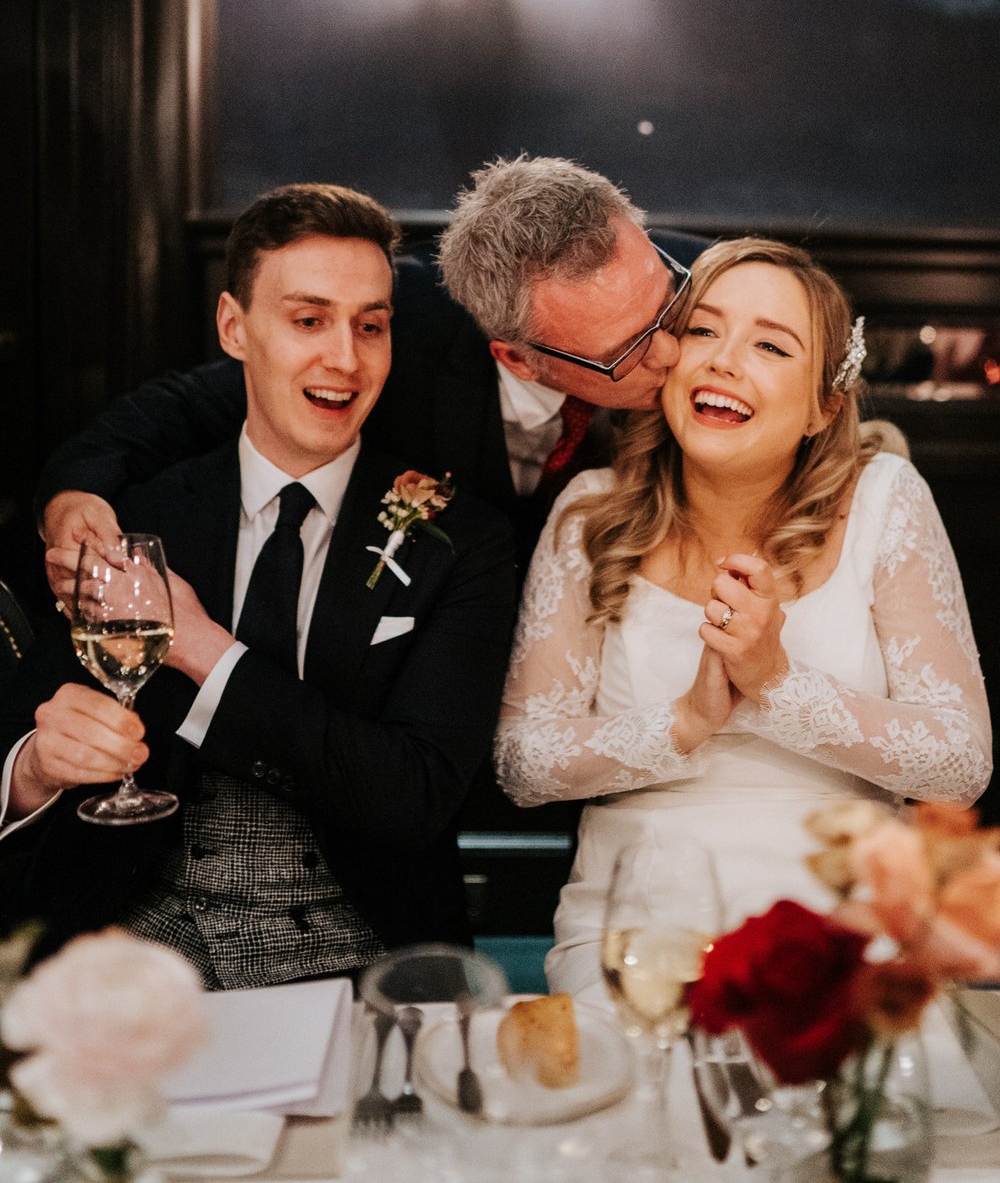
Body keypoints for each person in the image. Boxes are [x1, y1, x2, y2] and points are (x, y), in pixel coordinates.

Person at [0, 184, 517, 985]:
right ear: (234, 329)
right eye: (308, 320)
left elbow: (414, 796)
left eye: (371, 326)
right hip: (130, 956)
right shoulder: (143, 519)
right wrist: (37, 766)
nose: (345, 358)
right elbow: (18, 732)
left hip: (367, 956)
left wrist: (203, 649)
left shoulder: (465, 542)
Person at [494, 237, 992, 1002]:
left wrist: (778, 685)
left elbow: (960, 764)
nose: (724, 359)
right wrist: (687, 722)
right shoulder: (591, 512)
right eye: (702, 330)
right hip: (637, 930)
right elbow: (524, 763)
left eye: (770, 344)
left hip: (847, 919)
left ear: (824, 405)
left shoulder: (886, 500)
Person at [37, 158, 705, 582]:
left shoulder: (696, 277)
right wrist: (73, 496)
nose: (673, 351)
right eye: (627, 349)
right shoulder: (387, 331)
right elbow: (180, 410)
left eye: (666, 307)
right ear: (516, 357)